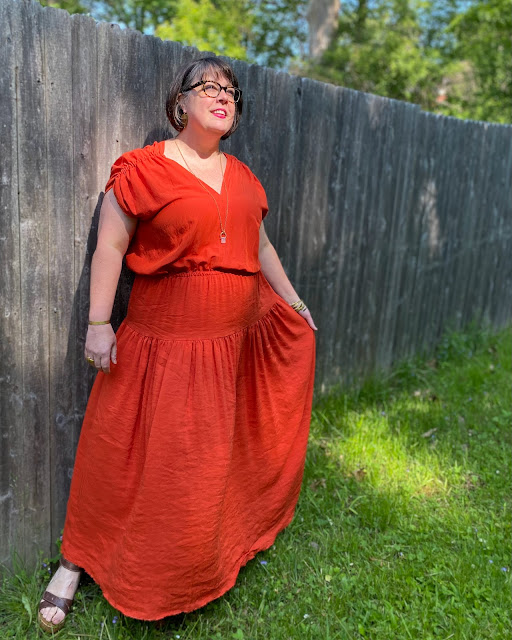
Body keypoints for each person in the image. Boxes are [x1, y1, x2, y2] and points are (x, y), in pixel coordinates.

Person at [37, 56, 317, 632]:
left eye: (230, 91)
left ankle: (202, 560)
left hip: (230, 346)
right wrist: (98, 322)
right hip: (163, 345)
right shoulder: (144, 169)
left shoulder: (244, 178)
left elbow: (261, 248)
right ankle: (74, 563)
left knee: (205, 465)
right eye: (207, 87)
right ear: (180, 101)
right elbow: (111, 247)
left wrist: (293, 301)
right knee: (119, 456)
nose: (222, 96)